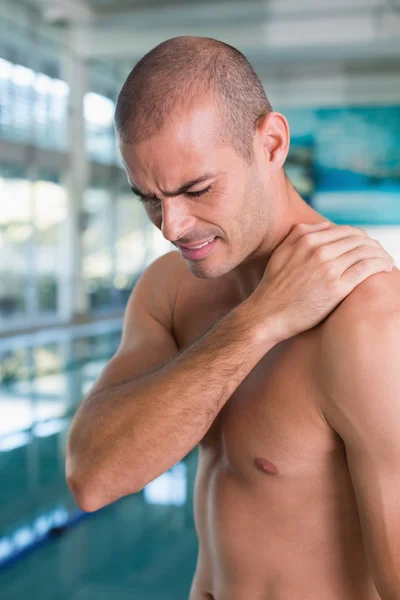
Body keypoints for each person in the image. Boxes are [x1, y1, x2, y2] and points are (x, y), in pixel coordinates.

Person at [66, 37, 400, 600]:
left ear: (270, 143)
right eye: (149, 197)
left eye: (196, 189)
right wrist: (261, 318)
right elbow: (93, 477)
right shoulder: (170, 289)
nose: (171, 227)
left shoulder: (368, 320)